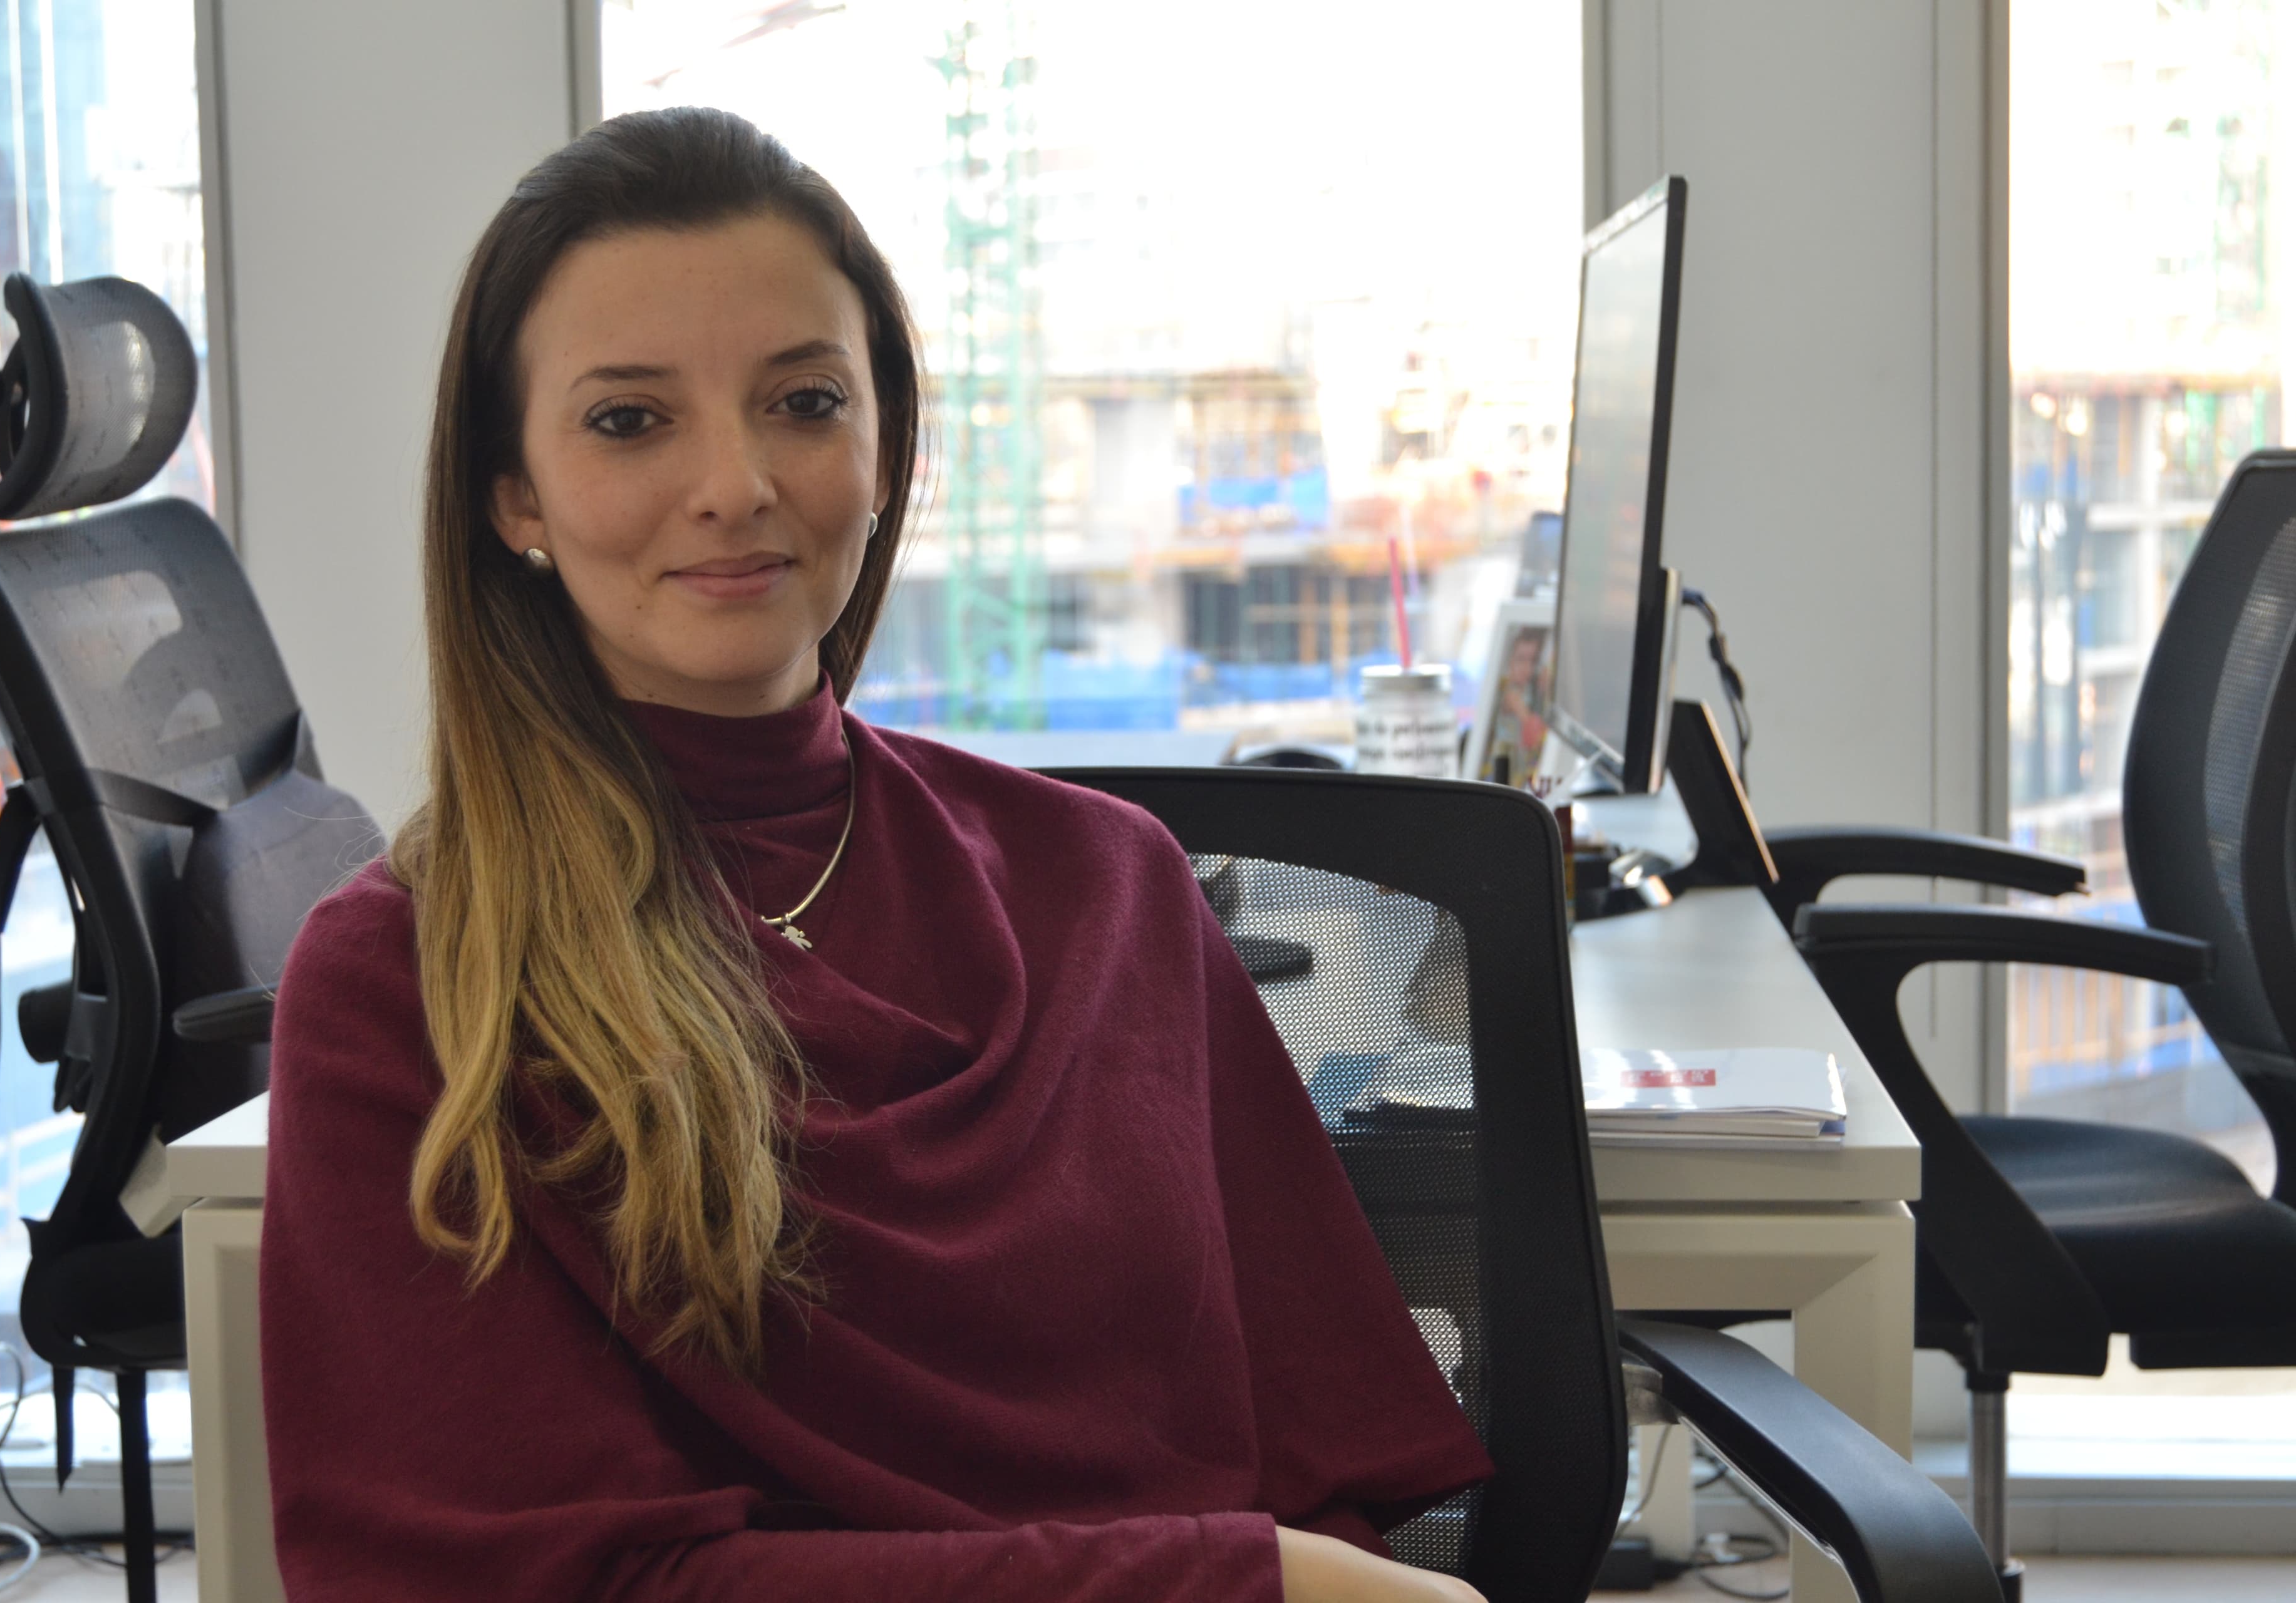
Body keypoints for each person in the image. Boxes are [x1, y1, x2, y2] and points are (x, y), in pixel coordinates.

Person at [259, 106, 1492, 1602]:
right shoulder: (411, 976)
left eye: (801, 400)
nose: (736, 483)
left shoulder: (1109, 883)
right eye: (630, 419)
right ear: (513, 494)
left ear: (887, 446)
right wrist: (1247, 1582)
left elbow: (1318, 1462)